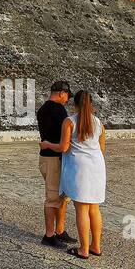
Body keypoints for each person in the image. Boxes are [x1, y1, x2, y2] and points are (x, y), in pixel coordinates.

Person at [51, 90, 106, 259]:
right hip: (97, 166)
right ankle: (95, 246)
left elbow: (63, 147)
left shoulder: (70, 122)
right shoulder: (98, 123)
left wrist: (46, 144)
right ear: (91, 104)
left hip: (79, 167)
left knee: (81, 208)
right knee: (94, 208)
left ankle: (83, 249)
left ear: (75, 104)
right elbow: (101, 149)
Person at [37, 80, 75, 248]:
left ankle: (59, 230)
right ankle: (49, 234)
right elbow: (67, 133)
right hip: (54, 158)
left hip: (48, 157)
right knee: (53, 198)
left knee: (61, 197)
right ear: (61, 93)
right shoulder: (58, 109)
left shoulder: (43, 109)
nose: (67, 100)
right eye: (67, 96)